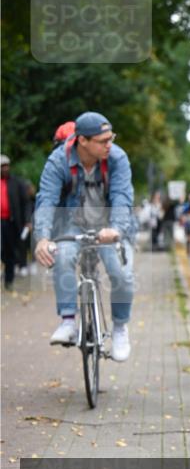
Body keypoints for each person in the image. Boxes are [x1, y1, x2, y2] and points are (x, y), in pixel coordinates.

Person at [33, 111, 135, 361]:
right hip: (72, 224)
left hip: (108, 225)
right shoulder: (58, 160)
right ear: (83, 140)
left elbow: (122, 197)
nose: (109, 145)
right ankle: (68, 321)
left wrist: (116, 229)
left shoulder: (117, 158)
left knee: (121, 273)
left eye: (111, 138)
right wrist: (43, 238)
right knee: (63, 256)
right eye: (103, 141)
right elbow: (46, 200)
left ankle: (120, 328)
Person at [1, 155, 34, 290]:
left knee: (11, 250)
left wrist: (27, 220)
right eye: (2, 167)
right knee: (2, 250)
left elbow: (27, 203)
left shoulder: (17, 182)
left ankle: (9, 280)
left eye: (6, 166)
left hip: (12, 222)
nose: (5, 169)